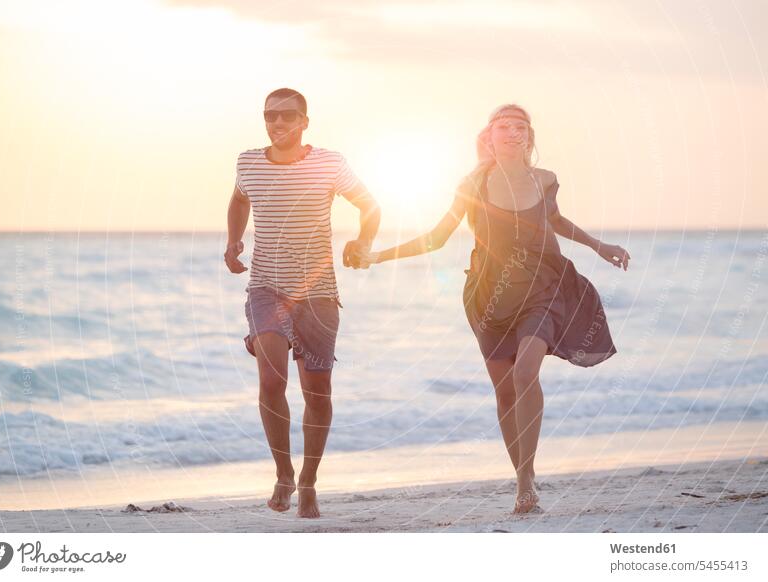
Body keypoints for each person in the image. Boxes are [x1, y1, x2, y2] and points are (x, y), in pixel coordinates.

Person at [359, 104, 630, 514]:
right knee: (505, 392)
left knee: (525, 373)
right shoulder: (473, 184)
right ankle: (522, 473)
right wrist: (378, 257)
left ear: (529, 137)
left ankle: (526, 480)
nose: (513, 132)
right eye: (504, 126)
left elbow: (556, 222)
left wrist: (599, 246)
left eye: (521, 126)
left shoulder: (545, 180)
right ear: (490, 135)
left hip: (544, 286)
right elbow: (435, 239)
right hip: (489, 295)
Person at [225, 88, 380, 518]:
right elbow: (239, 199)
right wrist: (233, 239)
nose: (278, 124)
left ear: (304, 121)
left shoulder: (329, 163)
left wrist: (363, 240)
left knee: (318, 391)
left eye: (287, 116)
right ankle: (283, 473)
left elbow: (370, 205)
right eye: (270, 116)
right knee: (272, 382)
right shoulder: (248, 163)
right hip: (266, 289)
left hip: (318, 294)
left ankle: (310, 480)